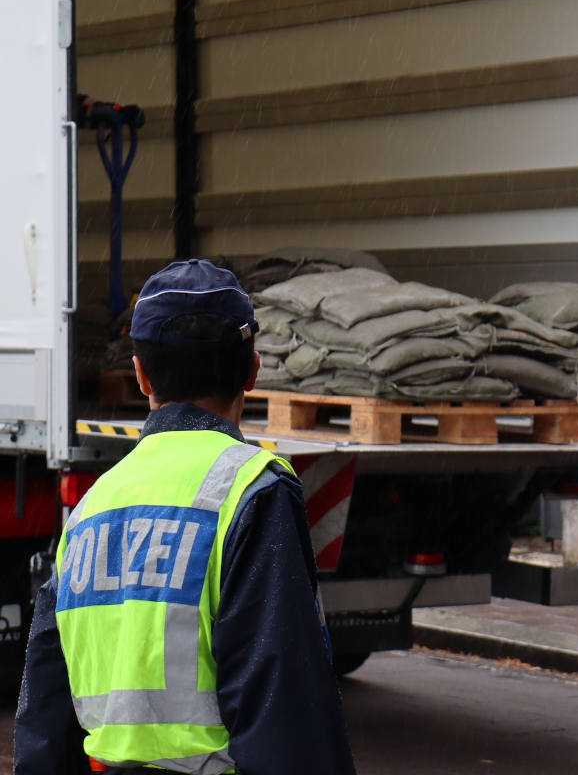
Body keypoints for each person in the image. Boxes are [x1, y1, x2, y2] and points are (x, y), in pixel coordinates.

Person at [15, 259, 356, 775]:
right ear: (253, 370)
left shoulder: (89, 510)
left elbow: (44, 719)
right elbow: (286, 709)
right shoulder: (253, 491)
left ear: (141, 375)